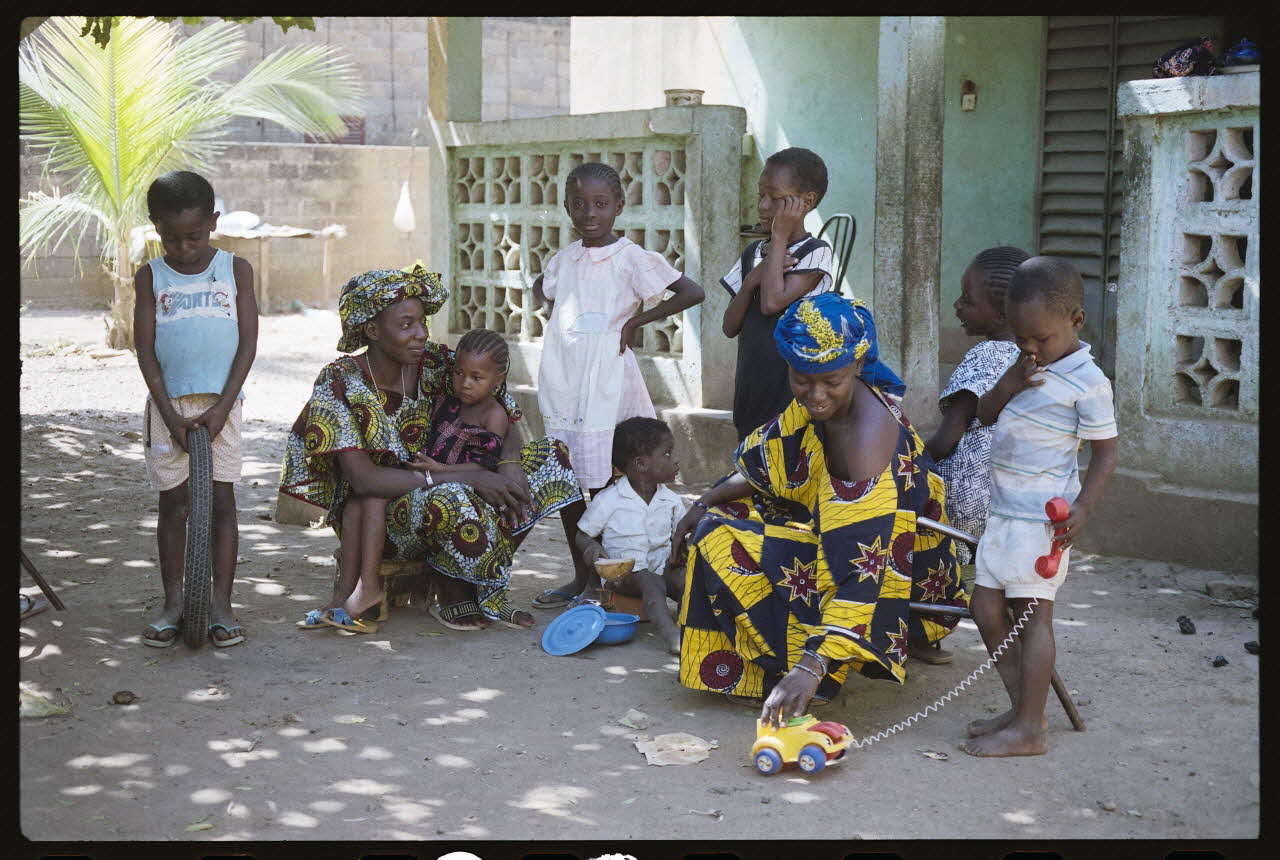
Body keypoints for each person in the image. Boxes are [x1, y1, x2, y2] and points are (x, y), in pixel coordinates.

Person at [672, 292, 968, 728]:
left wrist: (811, 668)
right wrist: (703, 501)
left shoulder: (864, 443)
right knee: (727, 514)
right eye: (801, 379)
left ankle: (812, 674)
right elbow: (769, 460)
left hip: (903, 592)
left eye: (831, 381)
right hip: (855, 554)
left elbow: (864, 575)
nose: (815, 395)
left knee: (717, 537)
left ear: (856, 365)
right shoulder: (822, 397)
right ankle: (788, 656)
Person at [279, 266, 582, 634]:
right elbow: (364, 480)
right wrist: (466, 476)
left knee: (553, 458)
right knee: (450, 495)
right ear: (373, 330)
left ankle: (484, 573)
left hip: (456, 486)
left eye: (422, 321)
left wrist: (509, 463)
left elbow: (504, 408)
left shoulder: (438, 362)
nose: (421, 333)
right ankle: (454, 589)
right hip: (380, 517)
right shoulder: (341, 381)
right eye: (406, 325)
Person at [529, 161, 705, 610]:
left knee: (607, 479)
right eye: (579, 204)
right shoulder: (565, 258)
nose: (590, 213)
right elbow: (542, 288)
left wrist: (635, 322)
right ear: (567, 208)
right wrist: (559, 322)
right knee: (568, 478)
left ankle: (607, 582)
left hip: (606, 381)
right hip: (565, 379)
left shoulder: (631, 257)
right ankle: (581, 576)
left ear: (619, 206)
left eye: (601, 203)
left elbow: (692, 292)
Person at [960, 256, 1117, 758]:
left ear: (1076, 320)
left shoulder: (1089, 382)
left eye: (1041, 338)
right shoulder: (1022, 364)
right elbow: (984, 416)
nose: (1030, 347)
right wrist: (1009, 383)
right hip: (1003, 513)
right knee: (985, 609)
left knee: (1033, 618)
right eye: (1020, 337)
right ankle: (1023, 710)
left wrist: (1084, 508)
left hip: (1043, 522)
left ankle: (1029, 728)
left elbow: (1106, 452)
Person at [134, 170, 257, 648]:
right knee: (174, 504)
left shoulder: (235, 270)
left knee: (223, 503)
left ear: (213, 222)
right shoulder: (151, 276)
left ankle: (221, 605)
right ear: (156, 228)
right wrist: (168, 416)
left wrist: (224, 406)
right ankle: (174, 602)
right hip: (169, 405)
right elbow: (146, 350)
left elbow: (247, 344)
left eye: (194, 236)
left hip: (223, 403)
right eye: (171, 238)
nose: (183, 248)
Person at [925, 247, 1030, 581]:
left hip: (965, 507)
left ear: (1000, 316)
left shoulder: (986, 355)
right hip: (1008, 504)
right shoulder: (1029, 359)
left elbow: (945, 441)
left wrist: (907, 461)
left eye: (967, 300)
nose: (957, 305)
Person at [722, 147, 836, 441]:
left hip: (790, 388)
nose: (762, 206)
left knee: (785, 454)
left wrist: (780, 236)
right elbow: (729, 326)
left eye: (775, 198)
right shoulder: (753, 253)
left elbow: (772, 302)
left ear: (806, 202)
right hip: (751, 383)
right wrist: (750, 282)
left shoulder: (814, 253)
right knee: (750, 451)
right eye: (761, 195)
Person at [576, 417, 687, 655]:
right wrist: (592, 549)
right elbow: (582, 535)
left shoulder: (671, 501)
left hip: (661, 568)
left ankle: (692, 625)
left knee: (688, 579)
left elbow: (681, 536)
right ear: (641, 463)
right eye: (667, 454)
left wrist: (683, 553)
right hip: (623, 577)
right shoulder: (609, 500)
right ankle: (671, 634)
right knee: (649, 580)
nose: (675, 460)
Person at [410, 328, 512, 480]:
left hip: (467, 485)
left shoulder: (493, 415)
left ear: (498, 379)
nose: (465, 383)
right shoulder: (447, 403)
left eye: (476, 378)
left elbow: (484, 464)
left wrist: (442, 469)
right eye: (458, 373)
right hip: (432, 476)